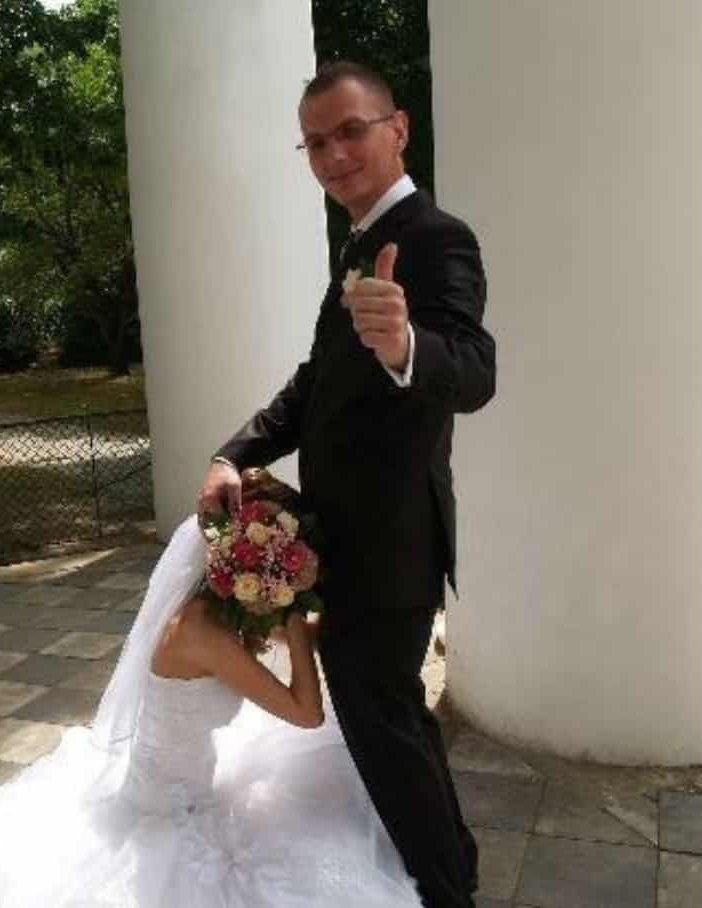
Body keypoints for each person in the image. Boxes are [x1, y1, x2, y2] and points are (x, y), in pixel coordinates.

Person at [200, 61, 496, 908]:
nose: (334, 155)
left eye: (351, 131)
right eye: (316, 142)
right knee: (389, 719)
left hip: (393, 542)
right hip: (346, 538)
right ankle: (449, 866)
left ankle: (447, 890)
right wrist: (234, 452)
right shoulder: (361, 242)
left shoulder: (436, 237)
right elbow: (318, 384)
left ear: (397, 129)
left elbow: (475, 372)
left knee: (385, 723)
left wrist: (407, 347)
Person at [0, 512, 426, 907]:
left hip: (190, 784)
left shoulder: (214, 619)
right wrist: (293, 623)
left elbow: (275, 646)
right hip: (165, 808)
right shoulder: (202, 635)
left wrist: (326, 625)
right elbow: (305, 712)